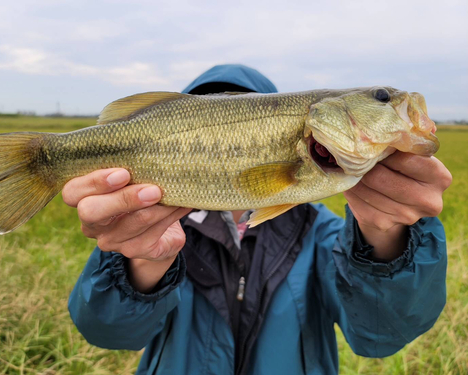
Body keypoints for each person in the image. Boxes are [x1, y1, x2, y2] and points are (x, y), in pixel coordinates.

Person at [66, 64, 452, 375]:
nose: (391, 103)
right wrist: (143, 261)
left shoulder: (320, 233)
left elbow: (381, 336)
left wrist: (387, 235)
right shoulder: (149, 228)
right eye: (382, 99)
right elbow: (106, 331)